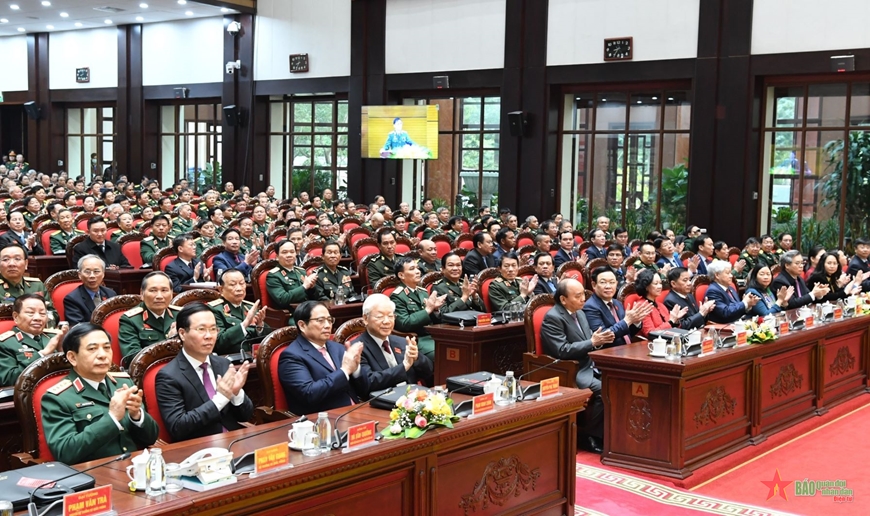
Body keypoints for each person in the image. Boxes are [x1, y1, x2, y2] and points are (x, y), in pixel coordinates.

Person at [41, 323, 157, 464]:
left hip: (134, 466)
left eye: (107, 348)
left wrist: (137, 415)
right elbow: (65, 452)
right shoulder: (58, 397)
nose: (102, 355)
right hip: (94, 471)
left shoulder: (123, 382)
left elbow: (151, 438)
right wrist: (112, 418)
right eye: (92, 349)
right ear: (72, 357)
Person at [155, 303, 254, 441]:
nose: (209, 336)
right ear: (182, 333)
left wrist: (236, 394)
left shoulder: (224, 364)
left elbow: (246, 416)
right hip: (200, 447)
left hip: (235, 441)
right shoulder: (169, 376)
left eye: (213, 329)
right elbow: (178, 427)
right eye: (201, 329)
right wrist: (221, 399)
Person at [540, 278, 614, 453]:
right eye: (578, 296)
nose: (583, 299)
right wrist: (592, 342)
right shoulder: (553, 317)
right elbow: (562, 350)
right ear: (563, 299)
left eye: (583, 295)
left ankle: (610, 433)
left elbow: (588, 340)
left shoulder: (580, 313)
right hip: (572, 370)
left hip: (591, 364)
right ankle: (588, 436)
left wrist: (599, 341)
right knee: (605, 390)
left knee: (619, 382)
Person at [278, 301, 370, 415]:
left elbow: (365, 390)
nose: (327, 325)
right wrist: (345, 371)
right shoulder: (291, 356)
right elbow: (309, 394)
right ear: (302, 325)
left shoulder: (338, 348)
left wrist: (355, 368)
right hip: (324, 419)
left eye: (329, 320)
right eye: (320, 320)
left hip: (357, 411)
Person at [352, 294, 434, 394]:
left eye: (390, 316)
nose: (387, 321)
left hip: (412, 397)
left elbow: (428, 372)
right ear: (365, 319)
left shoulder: (402, 342)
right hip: (383, 400)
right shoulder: (357, 349)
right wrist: (403, 367)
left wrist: (417, 358)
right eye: (380, 317)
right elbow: (368, 382)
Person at [0, 294, 66, 386]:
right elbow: (7, 379)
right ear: (16, 317)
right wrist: (42, 354)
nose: (38, 318)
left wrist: (63, 351)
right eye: (30, 313)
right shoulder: (5, 343)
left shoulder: (54, 337)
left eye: (42, 313)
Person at [390, 257, 446, 360]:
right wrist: (427, 310)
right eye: (412, 269)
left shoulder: (422, 291)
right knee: (443, 353)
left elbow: (434, 321)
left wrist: (435, 310)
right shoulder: (397, 296)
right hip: (416, 339)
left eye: (417, 268)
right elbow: (404, 323)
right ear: (401, 275)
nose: (418, 271)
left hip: (433, 335)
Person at [117, 272, 179, 363]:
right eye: (153, 290)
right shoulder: (130, 320)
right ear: (142, 294)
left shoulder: (180, 314)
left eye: (164, 290)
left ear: (172, 294)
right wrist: (170, 342)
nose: (159, 296)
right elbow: (132, 358)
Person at [582, 267, 651, 345]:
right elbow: (603, 336)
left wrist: (635, 322)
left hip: (626, 348)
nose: (608, 286)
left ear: (616, 284)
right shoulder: (590, 307)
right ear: (594, 285)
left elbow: (626, 333)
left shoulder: (617, 303)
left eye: (612, 282)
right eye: (603, 282)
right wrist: (627, 321)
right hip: (608, 351)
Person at [207, 269, 269, 354]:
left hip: (255, 355)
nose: (239, 288)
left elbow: (268, 338)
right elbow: (218, 342)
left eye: (242, 283)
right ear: (221, 289)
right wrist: (245, 324)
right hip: (231, 357)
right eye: (233, 284)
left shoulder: (250, 307)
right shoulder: (214, 310)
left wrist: (260, 326)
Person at [633, 269, 688, 338]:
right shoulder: (641, 306)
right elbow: (650, 333)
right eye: (656, 284)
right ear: (646, 286)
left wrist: (675, 321)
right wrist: (671, 322)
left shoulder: (661, 305)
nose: (660, 286)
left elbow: (671, 327)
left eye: (660, 283)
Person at [63, 255, 117, 325]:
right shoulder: (72, 299)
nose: (92, 276)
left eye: (96, 271)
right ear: (79, 275)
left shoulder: (111, 294)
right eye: (87, 272)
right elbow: (78, 327)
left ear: (103, 274)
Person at [266, 240, 317, 309]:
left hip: (307, 309)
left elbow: (311, 298)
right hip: (290, 312)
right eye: (284, 252)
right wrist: (304, 286)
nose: (289, 255)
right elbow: (282, 299)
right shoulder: (273, 275)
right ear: (277, 256)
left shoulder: (301, 271)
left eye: (292, 252)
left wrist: (312, 288)